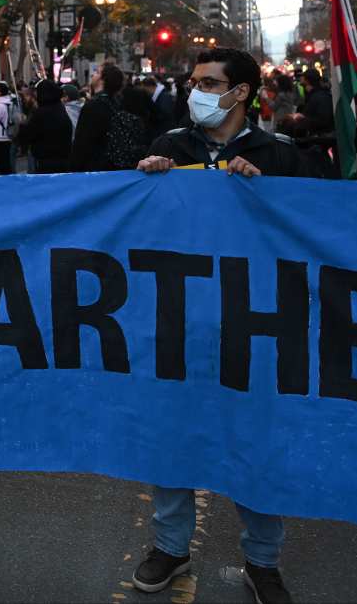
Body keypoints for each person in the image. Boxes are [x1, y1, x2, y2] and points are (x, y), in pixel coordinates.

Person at [132, 47, 301, 604]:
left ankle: (263, 560)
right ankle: (170, 546)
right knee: (172, 435)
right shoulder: (169, 147)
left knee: (255, 441)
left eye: (209, 82)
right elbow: (140, 233)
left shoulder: (279, 156)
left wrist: (265, 195)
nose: (195, 90)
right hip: (179, 321)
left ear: (241, 93)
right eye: (194, 81)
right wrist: (145, 185)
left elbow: (306, 235)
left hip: (254, 327)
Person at [16, 80, 72, 174]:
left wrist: (23, 124)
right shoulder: (61, 109)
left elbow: (25, 137)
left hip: (45, 162)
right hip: (64, 161)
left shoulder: (41, 113)